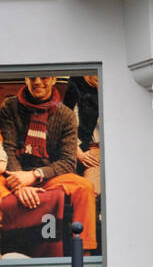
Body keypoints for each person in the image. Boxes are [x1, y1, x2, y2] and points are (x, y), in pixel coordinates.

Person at [0, 76, 98, 250]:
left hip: (49, 175)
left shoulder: (66, 115)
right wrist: (20, 185)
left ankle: (85, 253)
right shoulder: (10, 106)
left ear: (53, 79)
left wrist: (34, 175)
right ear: (25, 79)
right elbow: (8, 148)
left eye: (44, 77)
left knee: (85, 188)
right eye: (32, 78)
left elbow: (67, 162)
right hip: (14, 174)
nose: (37, 82)